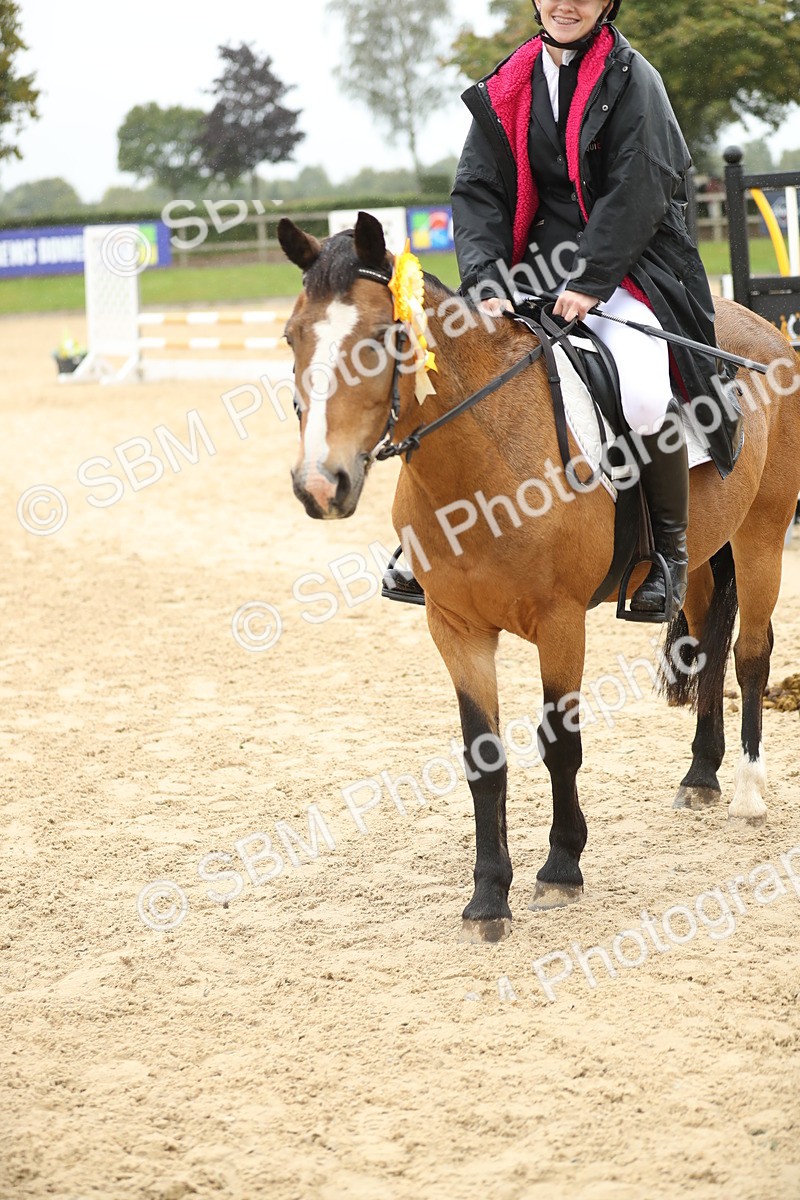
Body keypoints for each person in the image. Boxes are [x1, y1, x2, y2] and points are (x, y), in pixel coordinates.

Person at [383, 0, 742, 618]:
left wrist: (592, 278)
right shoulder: (508, 85)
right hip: (524, 278)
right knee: (452, 373)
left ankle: (669, 557)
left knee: (644, 387)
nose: (564, 3)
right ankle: (426, 544)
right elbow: (478, 192)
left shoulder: (635, 80)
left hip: (629, 272)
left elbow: (643, 185)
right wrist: (487, 281)